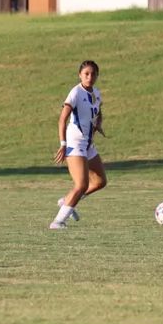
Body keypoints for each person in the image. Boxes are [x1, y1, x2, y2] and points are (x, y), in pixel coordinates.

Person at [50, 60, 107, 229]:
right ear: (80, 75)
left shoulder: (96, 93)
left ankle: (66, 201)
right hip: (75, 143)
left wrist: (98, 124)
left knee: (100, 182)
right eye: (86, 74)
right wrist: (63, 143)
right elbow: (62, 119)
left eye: (93, 74)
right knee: (81, 184)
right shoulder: (75, 93)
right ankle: (58, 222)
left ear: (97, 75)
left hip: (88, 144)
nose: (89, 77)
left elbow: (98, 111)